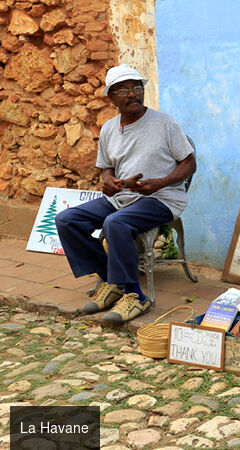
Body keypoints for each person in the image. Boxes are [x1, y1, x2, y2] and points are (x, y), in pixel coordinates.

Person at [56, 64, 197, 324]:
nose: (132, 94)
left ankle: (135, 295)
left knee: (116, 223)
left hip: (161, 198)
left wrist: (161, 183)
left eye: (136, 87)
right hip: (122, 198)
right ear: (111, 97)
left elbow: (189, 164)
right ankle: (111, 281)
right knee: (67, 220)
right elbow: (106, 167)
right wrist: (108, 181)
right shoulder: (109, 128)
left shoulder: (165, 123)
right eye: (123, 90)